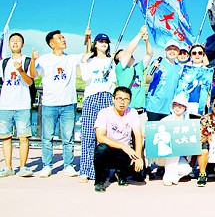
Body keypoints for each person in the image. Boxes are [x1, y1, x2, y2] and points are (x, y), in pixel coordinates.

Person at [35, 29, 87, 178]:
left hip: (68, 104)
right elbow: (33, 74)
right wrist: (33, 59)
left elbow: (87, 54)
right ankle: (47, 165)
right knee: (47, 137)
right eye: (59, 38)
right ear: (52, 43)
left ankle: (68, 165)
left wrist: (88, 38)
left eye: (63, 37)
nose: (63, 39)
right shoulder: (44, 59)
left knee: (68, 138)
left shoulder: (70, 58)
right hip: (49, 104)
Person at [79, 32, 118, 183]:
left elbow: (114, 79)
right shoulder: (90, 60)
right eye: (100, 41)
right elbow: (85, 77)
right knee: (88, 135)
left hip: (107, 97)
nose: (103, 44)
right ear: (95, 44)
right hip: (92, 97)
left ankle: (102, 170)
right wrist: (84, 61)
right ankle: (85, 170)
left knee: (105, 136)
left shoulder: (111, 61)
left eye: (106, 42)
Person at [93, 86, 144, 192]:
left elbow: (138, 135)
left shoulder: (132, 112)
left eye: (126, 99)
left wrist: (138, 156)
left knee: (138, 161)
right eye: (119, 99)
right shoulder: (104, 113)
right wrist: (123, 146)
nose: (122, 102)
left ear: (130, 101)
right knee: (101, 149)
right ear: (113, 99)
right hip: (109, 149)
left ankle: (120, 174)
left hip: (124, 152)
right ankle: (100, 181)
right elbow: (100, 137)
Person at [0, 32, 36, 177]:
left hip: (22, 105)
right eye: (12, 41)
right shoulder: (4, 63)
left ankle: (23, 167)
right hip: (5, 105)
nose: (15, 43)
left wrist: (21, 70)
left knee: (23, 137)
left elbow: (30, 82)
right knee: (5, 137)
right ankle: (8, 167)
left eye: (18, 41)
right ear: (8, 45)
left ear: (23, 44)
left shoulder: (27, 61)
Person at [114, 26, 154, 115]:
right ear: (119, 60)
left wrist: (146, 41)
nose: (128, 55)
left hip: (141, 111)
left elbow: (149, 54)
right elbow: (129, 51)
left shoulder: (138, 67)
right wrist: (140, 34)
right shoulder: (120, 69)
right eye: (123, 55)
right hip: (126, 111)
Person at [145, 40, 184, 122]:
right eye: (169, 49)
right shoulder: (158, 63)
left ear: (178, 52)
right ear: (165, 51)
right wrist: (153, 70)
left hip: (169, 109)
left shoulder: (180, 69)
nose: (172, 51)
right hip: (154, 107)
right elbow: (147, 80)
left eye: (175, 49)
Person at [160, 94, 193, 186]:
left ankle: (171, 175)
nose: (177, 108)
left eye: (180, 105)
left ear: (185, 107)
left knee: (186, 169)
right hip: (162, 155)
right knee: (173, 150)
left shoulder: (188, 123)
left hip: (178, 156)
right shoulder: (165, 120)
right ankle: (168, 178)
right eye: (175, 105)